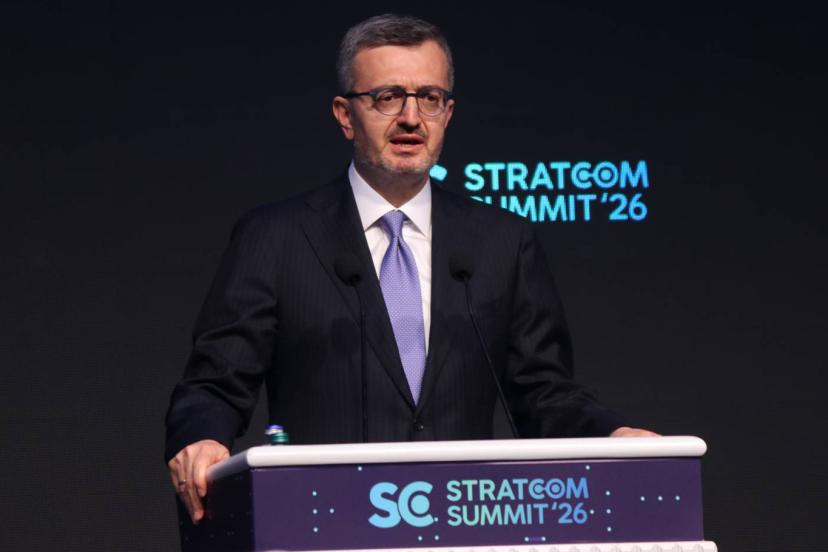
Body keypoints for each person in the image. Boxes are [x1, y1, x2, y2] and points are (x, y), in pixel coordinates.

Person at [165, 13, 656, 525]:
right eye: (387, 97)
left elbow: (542, 390)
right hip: (326, 523)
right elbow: (216, 380)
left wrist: (611, 434)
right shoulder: (277, 237)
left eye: (430, 98)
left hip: (466, 523)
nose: (410, 118)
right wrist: (202, 437)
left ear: (448, 112)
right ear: (345, 115)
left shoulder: (502, 242)